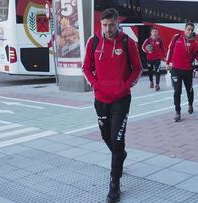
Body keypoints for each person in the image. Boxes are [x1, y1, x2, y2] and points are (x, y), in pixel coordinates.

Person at [82, 8, 142, 203]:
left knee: (117, 139)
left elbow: (137, 69)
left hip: (121, 99)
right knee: (106, 137)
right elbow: (86, 68)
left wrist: (125, 85)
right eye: (105, 25)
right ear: (101, 24)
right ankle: (121, 154)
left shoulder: (127, 42)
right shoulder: (94, 42)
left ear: (118, 23)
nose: (108, 29)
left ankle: (114, 183)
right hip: (100, 99)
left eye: (112, 25)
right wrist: (96, 84)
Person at [166, 22, 198, 122]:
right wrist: (168, 63)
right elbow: (170, 49)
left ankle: (190, 104)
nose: (190, 31)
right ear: (184, 29)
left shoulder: (195, 43)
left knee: (189, 89)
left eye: (192, 30)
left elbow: (197, 55)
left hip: (188, 70)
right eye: (188, 29)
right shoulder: (176, 37)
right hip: (175, 69)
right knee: (177, 91)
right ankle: (177, 112)